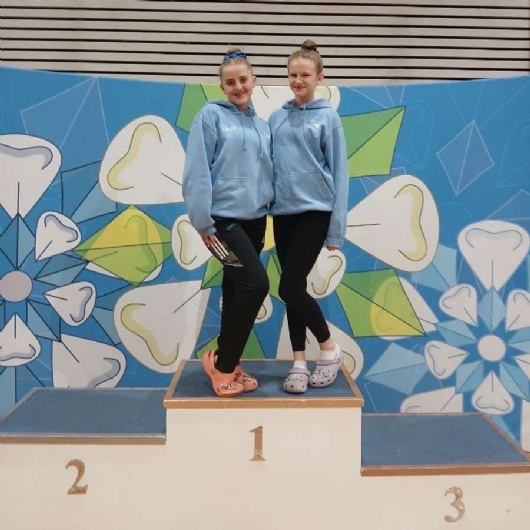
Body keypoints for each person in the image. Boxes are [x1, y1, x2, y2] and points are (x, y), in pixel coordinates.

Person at [182, 48, 273, 397]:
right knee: (256, 285)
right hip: (223, 222)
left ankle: (227, 361)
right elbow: (196, 171)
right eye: (230, 82)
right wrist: (204, 224)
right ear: (221, 85)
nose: (238, 87)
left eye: (243, 80)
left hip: (255, 221)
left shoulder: (262, 125)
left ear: (254, 81)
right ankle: (222, 366)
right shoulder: (210, 116)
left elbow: (267, 172)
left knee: (236, 290)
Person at [269, 40, 349, 394]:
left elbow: (341, 173)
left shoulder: (327, 117)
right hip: (282, 212)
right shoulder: (276, 117)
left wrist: (336, 231)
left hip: (316, 212)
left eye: (305, 75)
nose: (298, 81)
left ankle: (329, 349)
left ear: (319, 76)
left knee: (288, 285)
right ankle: (299, 362)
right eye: (292, 75)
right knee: (294, 289)